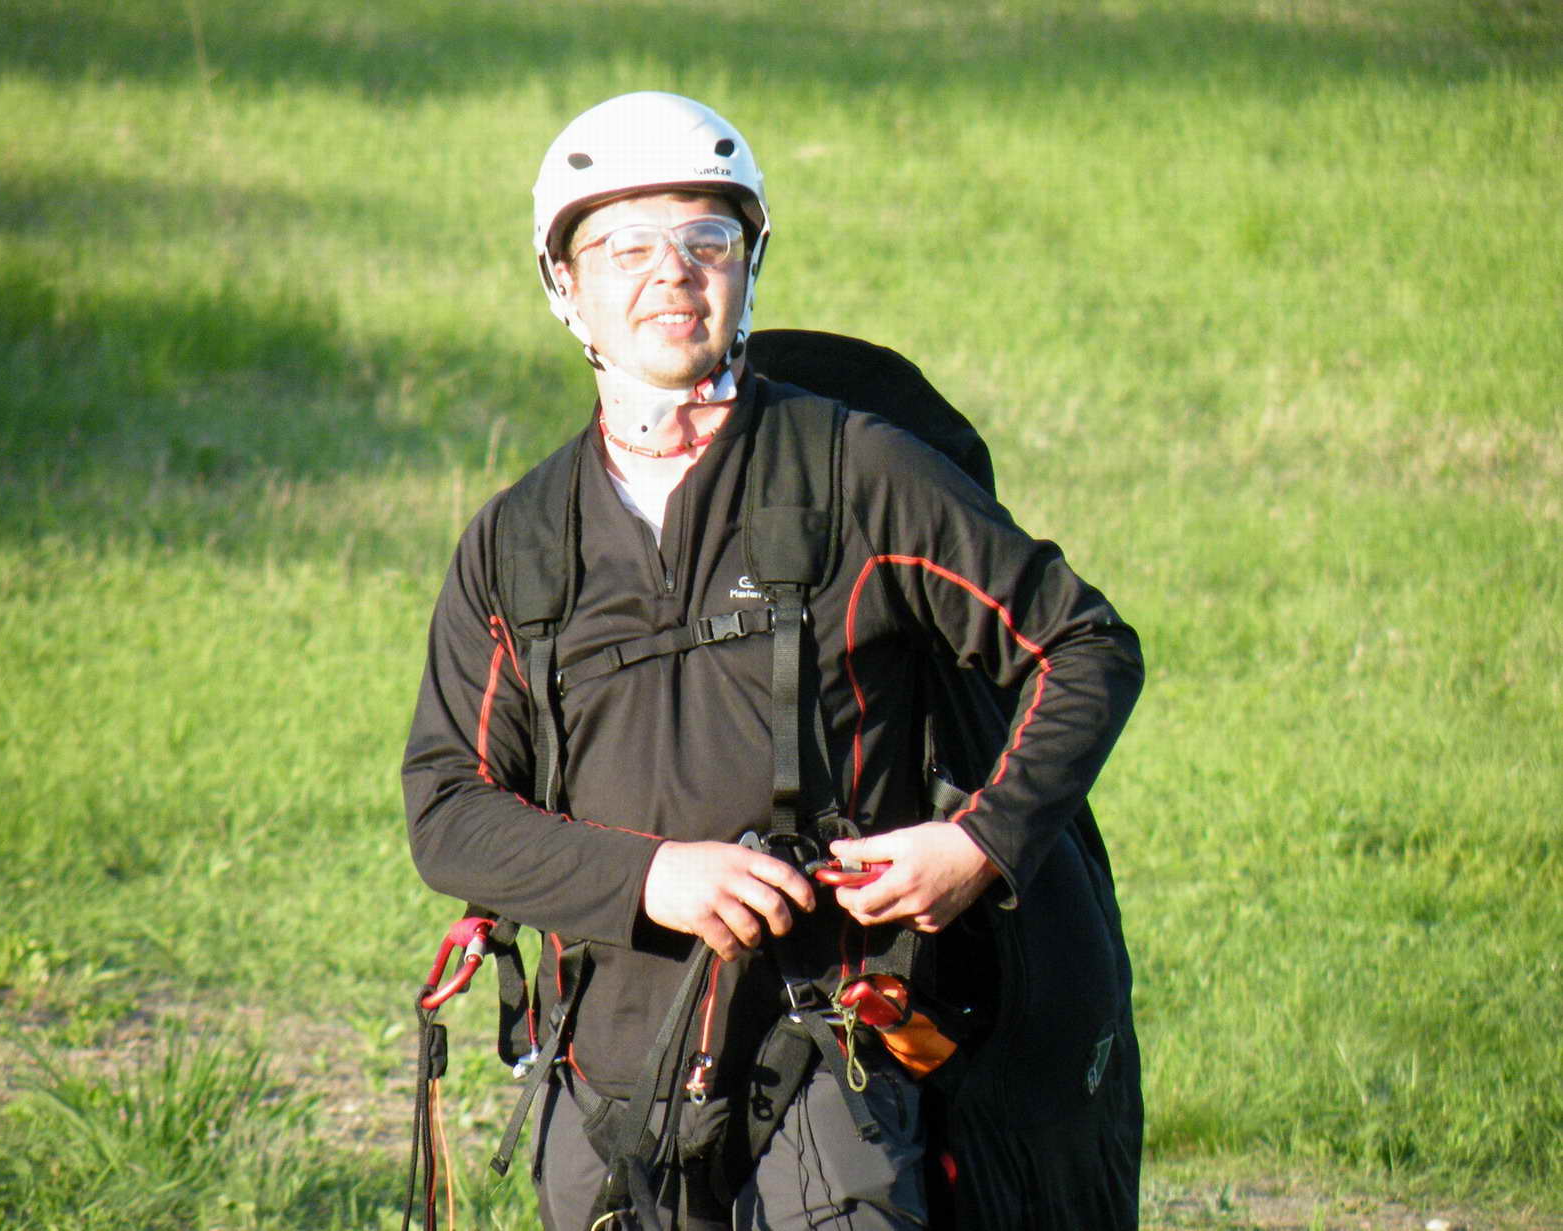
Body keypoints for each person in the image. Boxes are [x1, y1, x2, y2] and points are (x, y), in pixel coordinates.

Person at [403, 91, 1145, 1230]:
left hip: (833, 1064)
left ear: (750, 265)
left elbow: (1082, 647)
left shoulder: (861, 473)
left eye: (708, 240)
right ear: (565, 285)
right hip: (600, 1083)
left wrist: (976, 845)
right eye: (626, 247)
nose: (672, 273)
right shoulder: (518, 540)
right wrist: (652, 878)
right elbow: (448, 810)